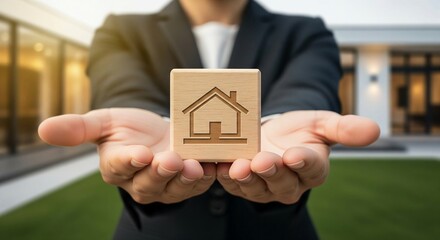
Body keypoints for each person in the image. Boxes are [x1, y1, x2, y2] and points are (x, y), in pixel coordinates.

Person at [38, 0, 380, 239]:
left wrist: (280, 123)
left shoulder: (306, 32)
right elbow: (123, 86)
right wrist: (146, 124)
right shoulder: (121, 30)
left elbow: (307, 85)